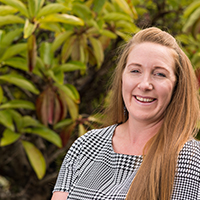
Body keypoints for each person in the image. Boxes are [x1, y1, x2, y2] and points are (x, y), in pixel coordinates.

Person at [51, 27, 200, 200]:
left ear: (177, 87)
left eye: (159, 74)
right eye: (135, 71)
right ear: (122, 78)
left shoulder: (190, 160)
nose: (145, 84)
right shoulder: (85, 146)